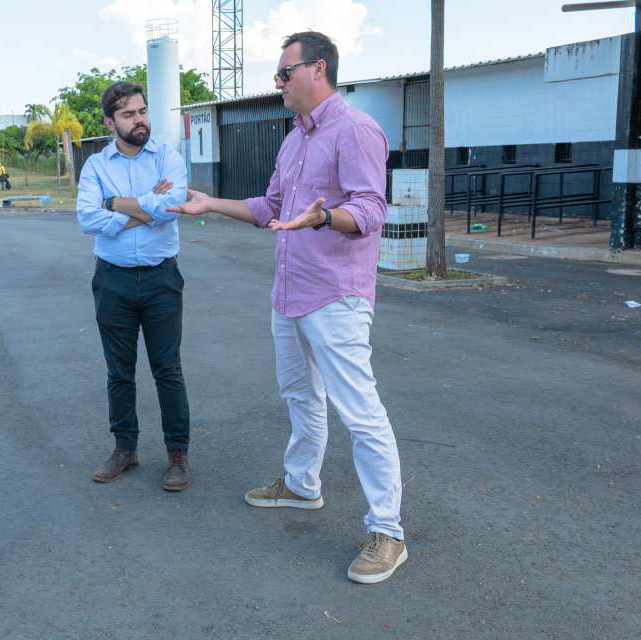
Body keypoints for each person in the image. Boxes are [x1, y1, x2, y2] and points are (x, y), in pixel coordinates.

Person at [166, 31, 407, 584]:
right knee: (300, 395)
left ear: (316, 69)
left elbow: (371, 210)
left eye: (284, 73)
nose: (277, 83)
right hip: (290, 292)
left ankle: (388, 531)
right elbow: (270, 207)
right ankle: (302, 486)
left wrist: (323, 218)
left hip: (336, 294)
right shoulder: (294, 139)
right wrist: (211, 203)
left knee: (360, 413)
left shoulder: (356, 129)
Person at [77, 81, 193, 491]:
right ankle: (125, 449)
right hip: (112, 280)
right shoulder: (95, 166)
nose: (139, 120)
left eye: (142, 111)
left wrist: (115, 203)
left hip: (162, 278)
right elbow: (87, 219)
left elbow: (174, 205)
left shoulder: (168, 158)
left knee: (168, 369)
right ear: (111, 122)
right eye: (128, 114)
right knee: (119, 372)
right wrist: (148, 205)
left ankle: (177, 454)